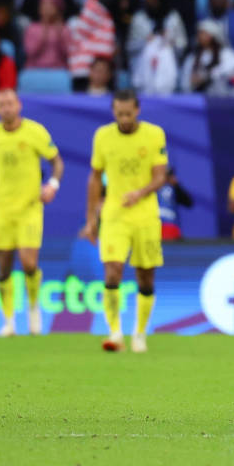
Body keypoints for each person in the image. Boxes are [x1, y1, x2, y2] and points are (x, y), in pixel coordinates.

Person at [0, 90, 62, 336]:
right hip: (1, 209)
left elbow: (56, 162)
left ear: (19, 105)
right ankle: (8, 322)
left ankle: (34, 308)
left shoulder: (35, 132)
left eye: (10, 103)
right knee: (4, 268)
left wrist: (52, 185)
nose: (6, 108)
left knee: (29, 263)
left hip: (29, 208)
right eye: (1, 104)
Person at [81, 90, 168, 353]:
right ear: (113, 112)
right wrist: (90, 219)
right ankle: (115, 332)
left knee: (145, 277)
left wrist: (139, 193)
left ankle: (139, 332)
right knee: (112, 270)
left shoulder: (154, 134)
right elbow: (95, 178)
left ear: (137, 110)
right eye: (119, 113)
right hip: (114, 215)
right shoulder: (103, 136)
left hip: (145, 216)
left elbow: (160, 176)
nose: (124, 118)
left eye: (129, 113)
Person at [180, 20, 234, 96]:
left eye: (203, 33)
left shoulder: (228, 56)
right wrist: (193, 82)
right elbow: (185, 84)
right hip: (201, 100)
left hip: (226, 99)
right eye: (198, 33)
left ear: (213, 35)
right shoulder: (193, 57)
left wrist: (216, 78)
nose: (199, 36)